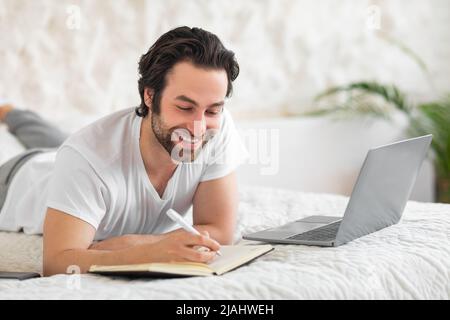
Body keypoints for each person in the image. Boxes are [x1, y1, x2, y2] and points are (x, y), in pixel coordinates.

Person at [0, 26, 247, 276]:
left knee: (56, 140)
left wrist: (134, 242)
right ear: (149, 96)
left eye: (212, 111)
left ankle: (11, 113)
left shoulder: (217, 128)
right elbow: (56, 263)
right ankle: (9, 113)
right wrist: (151, 251)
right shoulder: (85, 156)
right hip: (17, 178)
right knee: (60, 148)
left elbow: (219, 230)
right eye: (184, 107)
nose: (199, 127)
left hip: (71, 155)